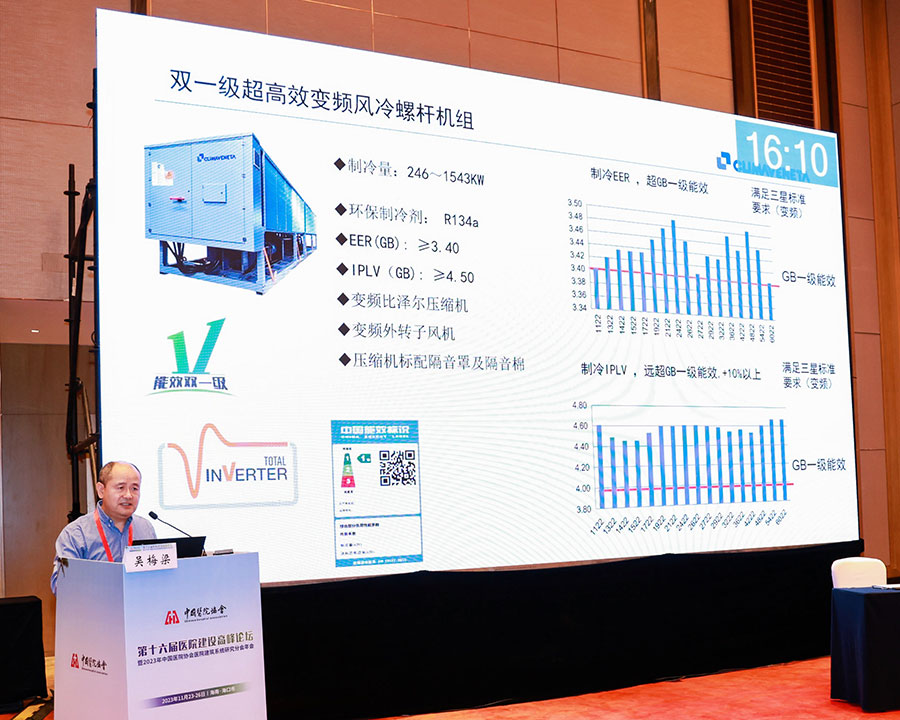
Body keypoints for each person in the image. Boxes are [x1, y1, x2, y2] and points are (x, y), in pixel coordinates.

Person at [50, 460, 156, 593]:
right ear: (101, 490)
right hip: (94, 605)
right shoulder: (76, 534)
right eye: (121, 487)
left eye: (134, 488)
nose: (128, 495)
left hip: (139, 604)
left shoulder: (145, 528)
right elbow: (61, 586)